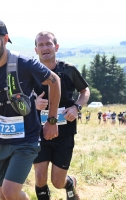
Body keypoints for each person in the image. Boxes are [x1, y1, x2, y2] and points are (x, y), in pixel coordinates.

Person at [0, 18, 61, 200]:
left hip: (26, 139)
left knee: (10, 191)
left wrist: (51, 120)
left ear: (5, 39)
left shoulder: (25, 63)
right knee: (4, 195)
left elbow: (55, 82)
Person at [33, 31, 90, 200]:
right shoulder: (30, 72)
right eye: (41, 45)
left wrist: (76, 107)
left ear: (56, 47)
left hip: (64, 132)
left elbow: (85, 90)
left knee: (57, 181)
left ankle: (69, 183)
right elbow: (21, 99)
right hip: (39, 131)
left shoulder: (68, 70)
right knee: (40, 177)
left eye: (48, 44)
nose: (45, 48)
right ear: (36, 50)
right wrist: (34, 103)